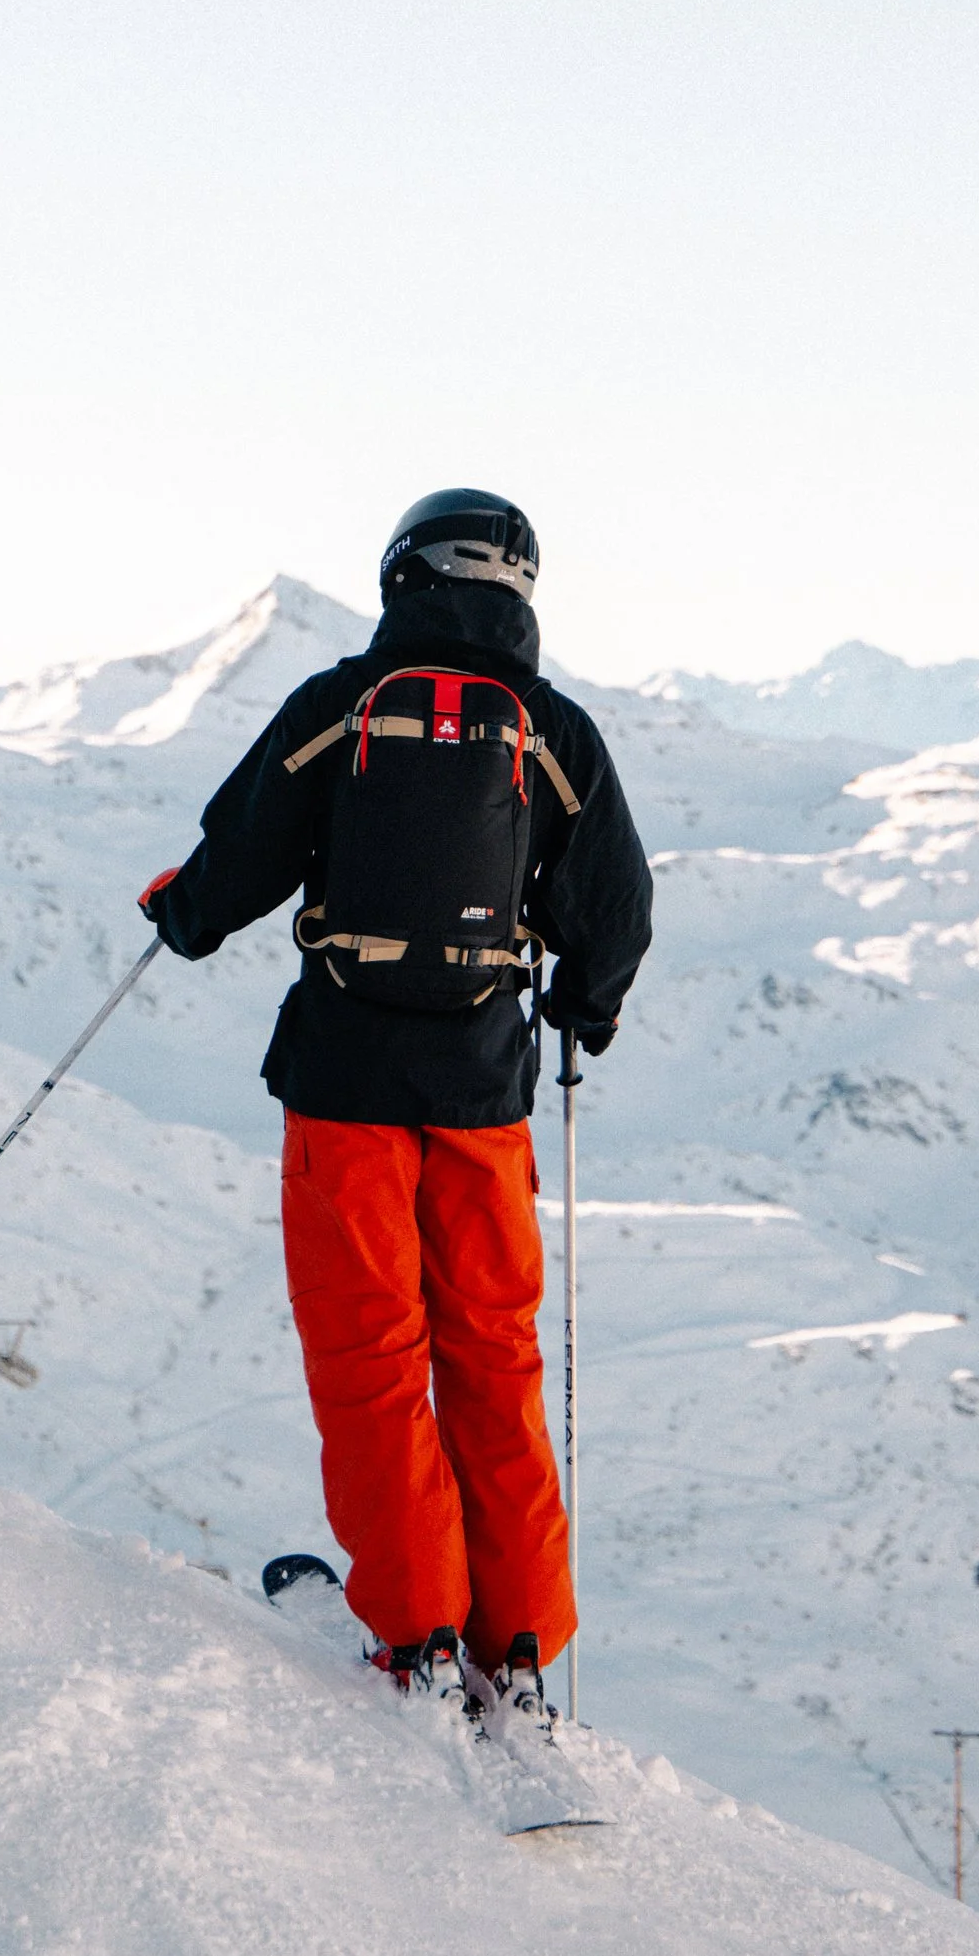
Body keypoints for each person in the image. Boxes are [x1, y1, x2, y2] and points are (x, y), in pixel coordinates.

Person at [137, 489, 651, 1700]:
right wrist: (586, 1010)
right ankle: (517, 1636)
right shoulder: (551, 731)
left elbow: (240, 855)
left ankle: (412, 1627)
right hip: (483, 1096)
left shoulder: (338, 707)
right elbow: (615, 908)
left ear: (399, 576)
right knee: (493, 1352)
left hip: (343, 1089)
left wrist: (183, 911)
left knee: (373, 1353)